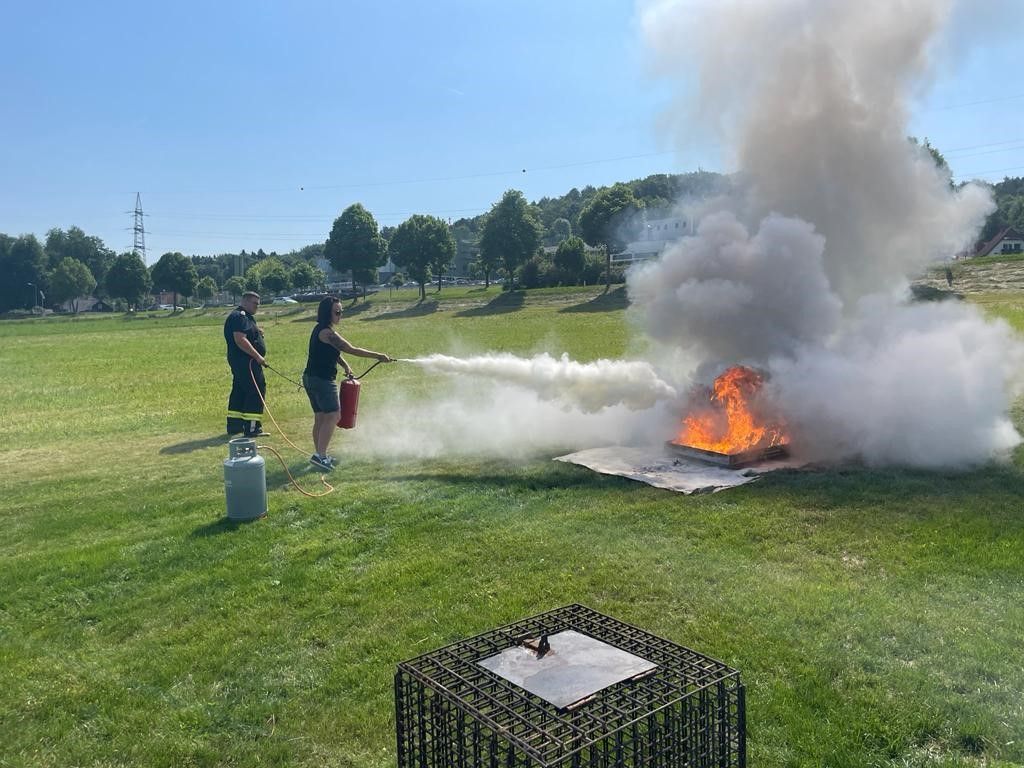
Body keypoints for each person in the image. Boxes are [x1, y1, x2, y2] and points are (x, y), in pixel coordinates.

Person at [303, 296, 392, 470]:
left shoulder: (320, 330)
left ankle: (320, 454)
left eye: (341, 311)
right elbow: (350, 349)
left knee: (321, 417)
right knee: (334, 415)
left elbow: (332, 352)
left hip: (311, 378)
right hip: (322, 380)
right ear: (327, 313)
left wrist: (345, 365)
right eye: (337, 312)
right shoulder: (327, 332)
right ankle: (320, 456)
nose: (340, 315)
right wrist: (378, 356)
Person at [224, 291, 268, 437]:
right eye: (255, 303)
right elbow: (240, 339)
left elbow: (246, 334)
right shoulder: (240, 316)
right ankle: (252, 428)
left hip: (241, 362)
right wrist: (258, 357)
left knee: (240, 391)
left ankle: (235, 426)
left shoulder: (244, 317)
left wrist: (257, 332)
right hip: (247, 362)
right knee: (256, 390)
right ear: (245, 301)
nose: (257, 307)